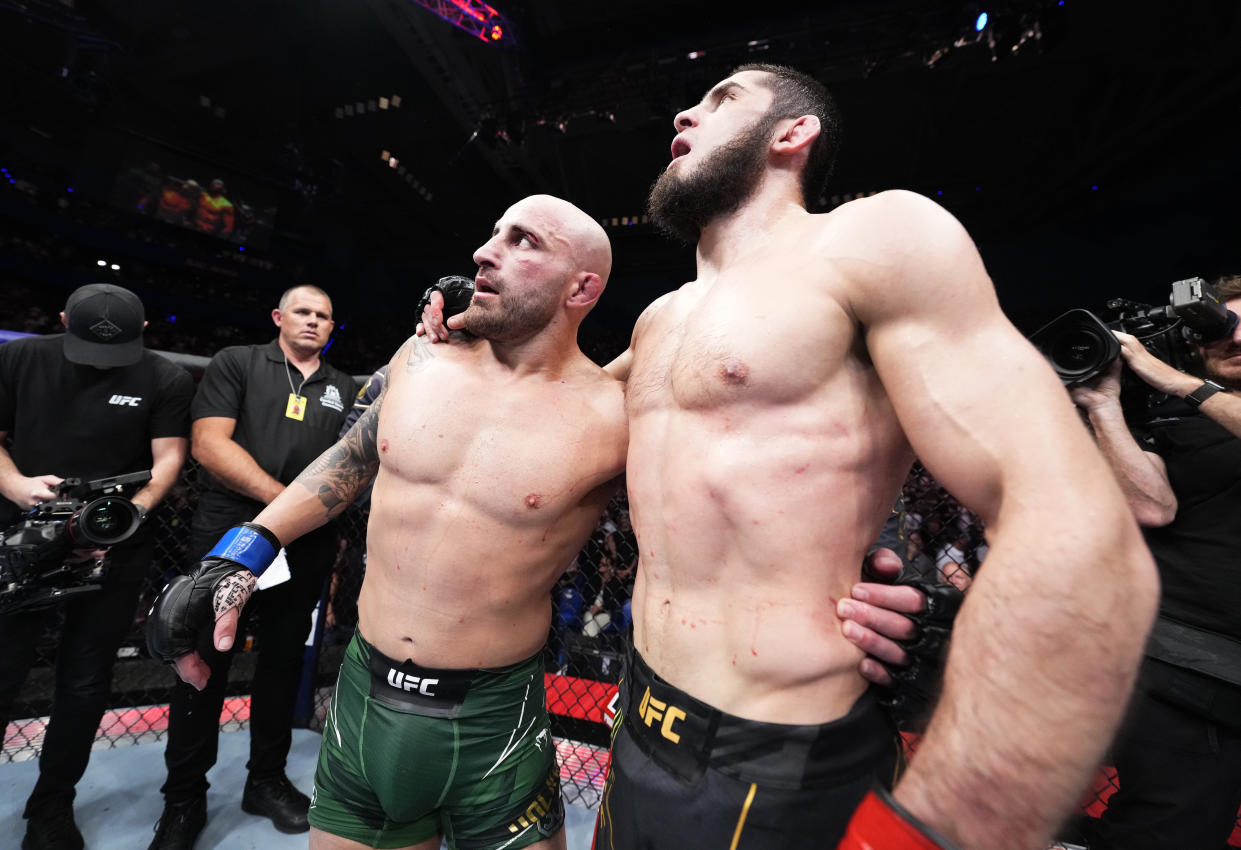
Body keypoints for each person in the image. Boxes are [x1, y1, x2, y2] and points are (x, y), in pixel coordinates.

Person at [420, 63, 1159, 849]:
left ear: (792, 133)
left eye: (722, 99)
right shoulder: (658, 322)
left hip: (776, 756)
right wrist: (481, 332)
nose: (685, 111)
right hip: (637, 721)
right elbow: (549, 433)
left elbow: (1078, 530)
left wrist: (928, 833)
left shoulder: (870, 241)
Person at [147, 193, 627, 850]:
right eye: (492, 232)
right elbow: (347, 457)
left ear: (583, 286)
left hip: (493, 719)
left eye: (524, 241)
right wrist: (243, 552)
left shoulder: (614, 417)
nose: (485, 252)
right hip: (363, 695)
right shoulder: (420, 356)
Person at [149, 285, 356, 849]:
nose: (314, 322)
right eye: (304, 312)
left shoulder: (342, 386)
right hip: (231, 536)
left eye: (324, 315)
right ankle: (184, 797)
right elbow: (209, 445)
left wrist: (298, 521)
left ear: (332, 327)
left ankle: (265, 781)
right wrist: (282, 510)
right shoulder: (237, 361)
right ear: (278, 317)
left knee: (284, 662)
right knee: (202, 661)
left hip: (309, 544)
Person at [0, 283, 193, 850]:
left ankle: (52, 808)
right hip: (21, 538)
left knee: (84, 684)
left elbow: (169, 460)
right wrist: (16, 486)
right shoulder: (18, 357)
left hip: (113, 546)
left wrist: (124, 519)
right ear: (61, 320)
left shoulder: (164, 377)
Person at [1068, 274, 1241, 849]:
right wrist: (1104, 407)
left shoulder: (1186, 391)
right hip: (1187, 663)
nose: (1234, 338)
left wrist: (1172, 377)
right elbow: (1149, 507)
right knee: (1174, 826)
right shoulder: (1165, 420)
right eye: (1221, 329)